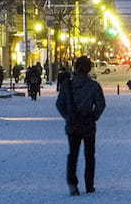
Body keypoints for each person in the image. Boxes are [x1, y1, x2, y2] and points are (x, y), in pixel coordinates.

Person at [56, 56, 105, 196]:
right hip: (88, 124)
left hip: (73, 125)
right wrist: (94, 117)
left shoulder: (67, 85)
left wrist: (68, 117)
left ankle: (72, 184)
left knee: (73, 155)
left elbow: (59, 104)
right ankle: (89, 185)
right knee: (90, 156)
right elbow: (101, 104)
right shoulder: (93, 86)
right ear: (89, 68)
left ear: (76, 67)